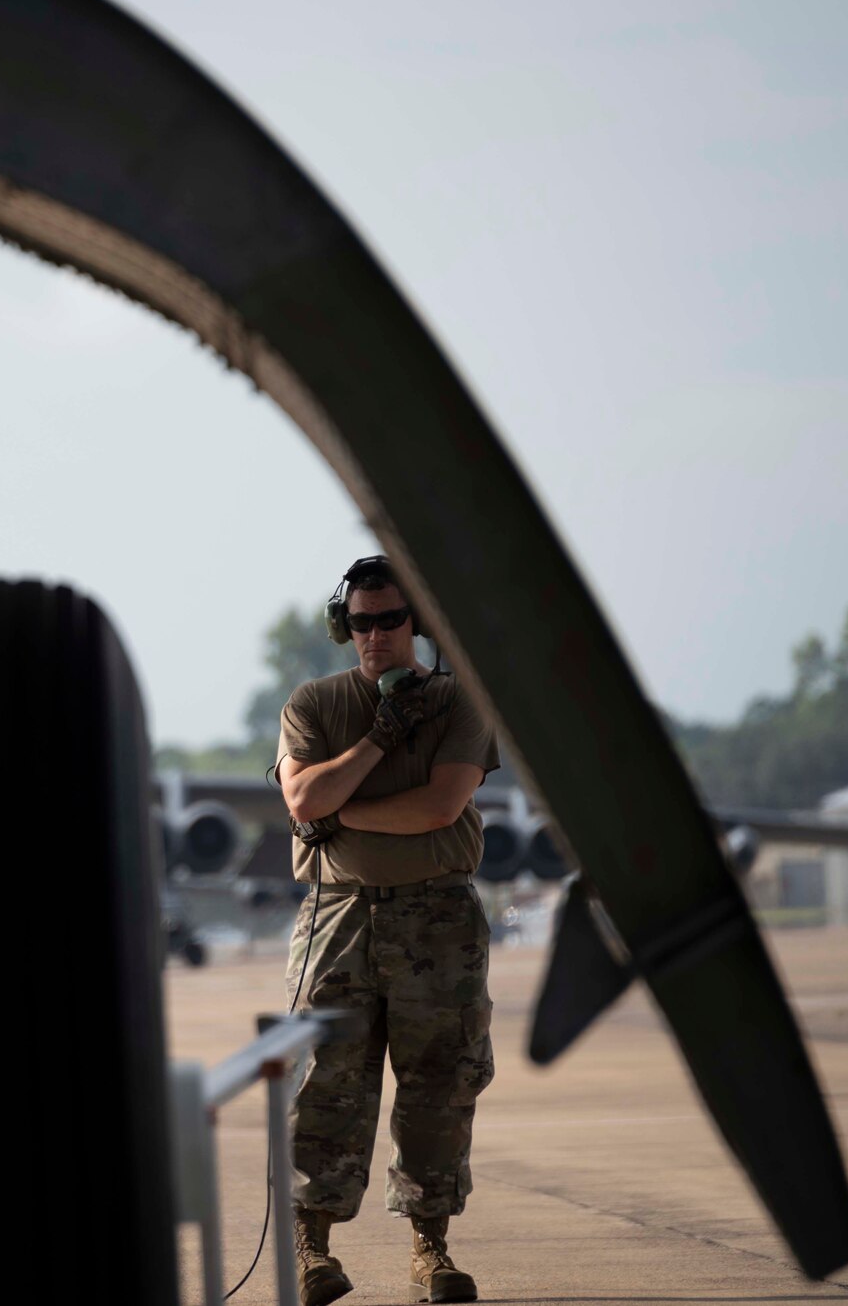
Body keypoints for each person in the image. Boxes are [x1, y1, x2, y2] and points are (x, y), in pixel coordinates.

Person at [275, 555, 499, 1306]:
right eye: (362, 621)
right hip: (336, 916)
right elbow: (303, 796)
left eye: (391, 620)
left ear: (418, 624)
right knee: (322, 1082)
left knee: (439, 1082)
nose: (375, 635)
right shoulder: (313, 703)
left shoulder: (458, 704)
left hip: (437, 917)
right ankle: (312, 1248)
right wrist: (376, 740)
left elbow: (438, 807)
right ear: (346, 626)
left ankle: (430, 1250)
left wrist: (341, 813)